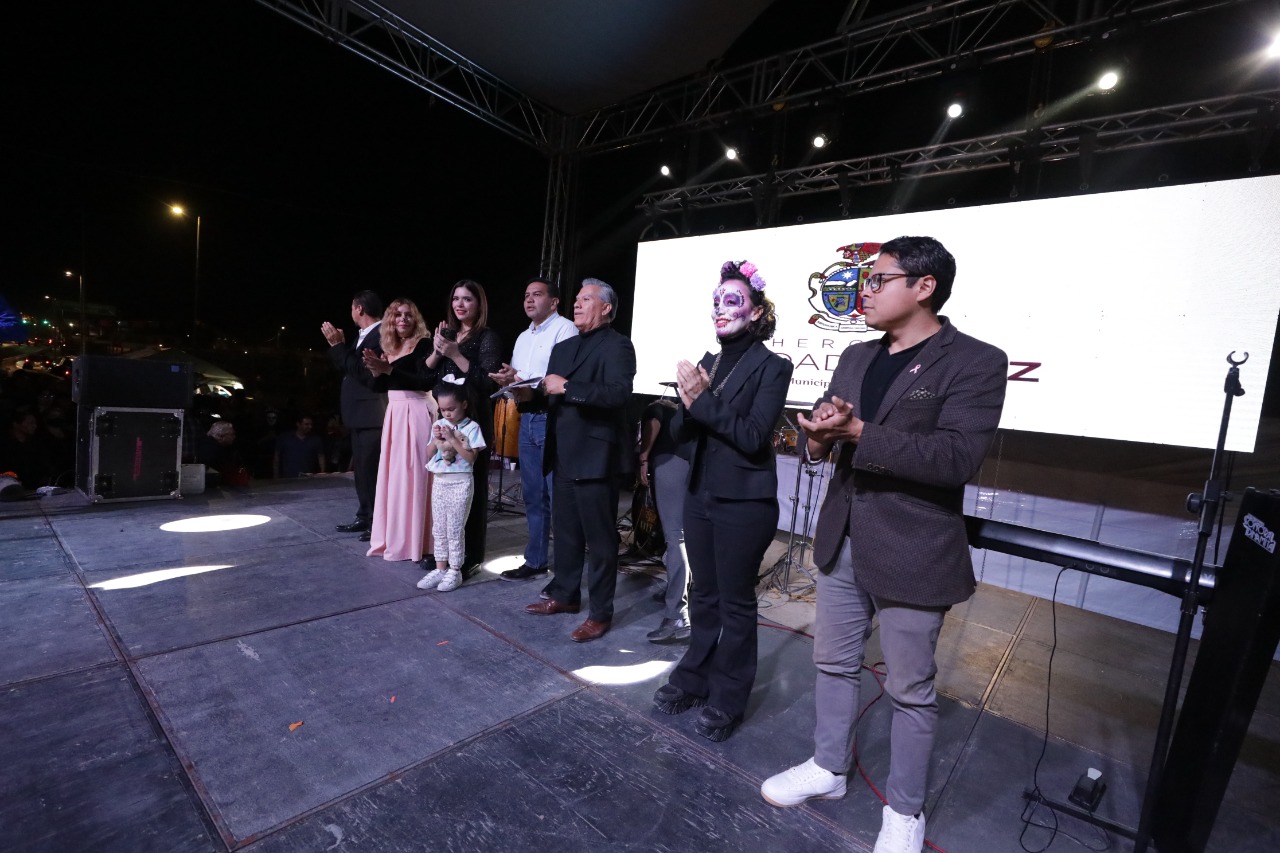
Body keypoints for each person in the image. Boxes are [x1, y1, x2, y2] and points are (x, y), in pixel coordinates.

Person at [759, 236, 1007, 853]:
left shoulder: (975, 361)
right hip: (842, 537)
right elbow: (821, 441)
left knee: (910, 690)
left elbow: (956, 458)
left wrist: (861, 432)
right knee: (832, 663)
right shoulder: (855, 356)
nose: (862, 291)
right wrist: (818, 437)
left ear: (924, 287)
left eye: (877, 280)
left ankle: (905, 811)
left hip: (913, 549)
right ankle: (828, 767)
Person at [651, 260, 793, 742]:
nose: (721, 308)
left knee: (735, 603)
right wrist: (689, 405)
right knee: (703, 596)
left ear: (756, 312)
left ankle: (729, 697)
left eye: (732, 300)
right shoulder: (707, 363)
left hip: (744, 504)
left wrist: (703, 401)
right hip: (701, 495)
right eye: (716, 301)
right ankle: (694, 677)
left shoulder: (774, 367)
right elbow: (680, 432)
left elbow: (752, 436)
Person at [523, 279, 636, 643]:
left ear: (606, 307)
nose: (577, 304)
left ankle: (600, 614)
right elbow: (550, 396)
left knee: (600, 542)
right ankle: (565, 595)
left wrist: (568, 387)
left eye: (586, 299)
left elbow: (618, 394)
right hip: (563, 453)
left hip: (596, 457)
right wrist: (523, 391)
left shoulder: (618, 345)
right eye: (576, 299)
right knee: (566, 534)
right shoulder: (564, 347)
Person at [488, 278, 578, 581]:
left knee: (557, 496)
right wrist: (510, 380)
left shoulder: (565, 329)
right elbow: (522, 379)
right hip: (526, 416)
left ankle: (565, 571)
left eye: (537, 295)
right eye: (526, 295)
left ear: (554, 301)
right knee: (533, 494)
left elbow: (561, 378)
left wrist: (522, 378)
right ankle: (536, 560)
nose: (529, 300)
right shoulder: (523, 337)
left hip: (552, 417)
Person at [419, 280, 502, 571]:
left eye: (467, 299)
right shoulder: (448, 335)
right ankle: (445, 554)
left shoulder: (487, 337)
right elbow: (425, 377)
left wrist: (455, 353)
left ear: (479, 304)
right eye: (456, 299)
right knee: (445, 489)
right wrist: (438, 350)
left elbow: (488, 382)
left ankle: (470, 557)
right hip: (446, 420)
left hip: (473, 420)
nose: (460, 304)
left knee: (470, 491)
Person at [361, 298, 437, 563]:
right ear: (390, 320)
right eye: (397, 315)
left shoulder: (424, 345)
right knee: (395, 477)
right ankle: (396, 538)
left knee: (416, 474)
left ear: (415, 319)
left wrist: (389, 369)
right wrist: (377, 371)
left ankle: (420, 541)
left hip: (416, 411)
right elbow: (380, 388)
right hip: (394, 413)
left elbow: (425, 381)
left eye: (408, 315)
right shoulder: (388, 346)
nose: (403, 319)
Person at [322, 291, 386, 540]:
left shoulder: (381, 334)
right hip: (359, 414)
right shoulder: (363, 335)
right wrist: (340, 348)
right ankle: (365, 515)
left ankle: (377, 522)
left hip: (373, 413)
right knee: (361, 469)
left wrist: (338, 347)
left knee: (372, 470)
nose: (351, 312)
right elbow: (349, 367)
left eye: (352, 308)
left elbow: (362, 372)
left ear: (359, 309)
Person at [417, 380, 487, 593]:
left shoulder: (472, 427)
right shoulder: (439, 424)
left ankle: (455, 570)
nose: (446, 413)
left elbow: (471, 458)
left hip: (461, 481)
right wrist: (436, 439)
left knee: (455, 528)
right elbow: (428, 453)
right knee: (439, 527)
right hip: (440, 480)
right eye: (442, 409)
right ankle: (440, 568)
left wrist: (453, 439)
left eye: (451, 409)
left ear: (464, 404)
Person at [637, 396, 691, 643]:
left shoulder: (654, 408)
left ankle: (677, 614)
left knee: (675, 536)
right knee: (687, 535)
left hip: (670, 462)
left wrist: (644, 457)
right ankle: (680, 592)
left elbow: (654, 423)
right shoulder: (681, 412)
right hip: (691, 463)